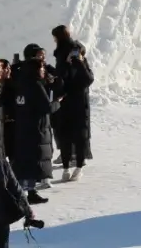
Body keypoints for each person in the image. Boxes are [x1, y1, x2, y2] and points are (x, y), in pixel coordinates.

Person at [13, 47, 60, 196]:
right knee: (35, 156)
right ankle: (30, 189)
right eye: (41, 67)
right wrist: (57, 102)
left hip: (22, 125)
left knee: (26, 156)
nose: (43, 70)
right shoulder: (36, 85)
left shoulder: (20, 82)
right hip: (37, 126)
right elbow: (46, 107)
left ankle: (29, 189)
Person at [52, 25, 94, 182]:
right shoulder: (68, 51)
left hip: (72, 97)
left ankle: (74, 164)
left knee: (72, 132)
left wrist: (75, 63)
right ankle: (71, 163)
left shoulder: (72, 54)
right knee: (73, 132)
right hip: (72, 98)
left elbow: (86, 78)